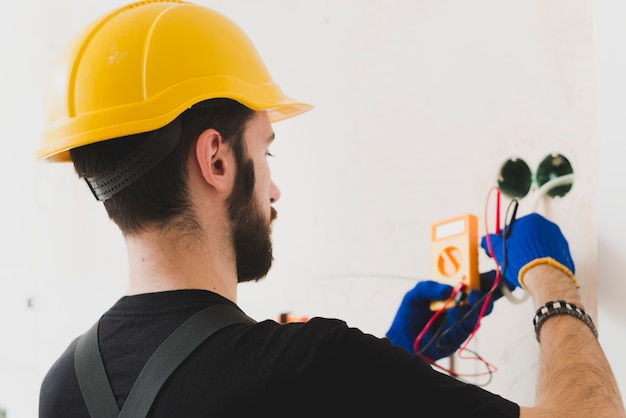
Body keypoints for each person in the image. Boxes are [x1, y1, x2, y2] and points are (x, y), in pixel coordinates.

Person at [37, 1, 625, 417]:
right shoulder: (314, 368)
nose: (274, 190)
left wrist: (394, 365)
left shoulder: (65, 388)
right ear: (216, 160)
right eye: (265, 150)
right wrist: (554, 285)